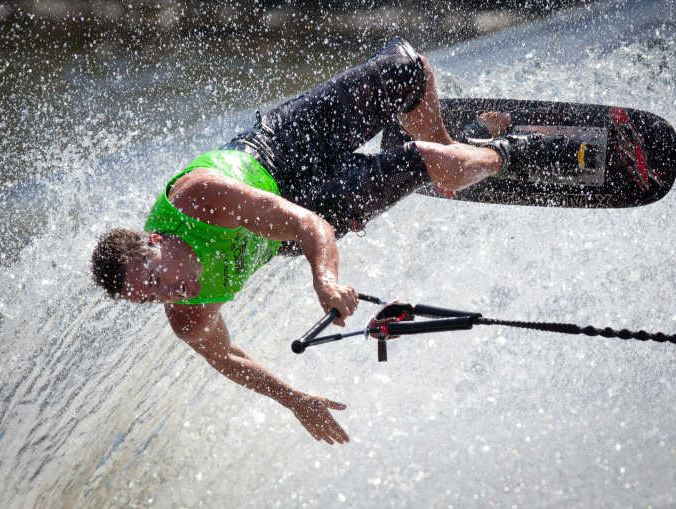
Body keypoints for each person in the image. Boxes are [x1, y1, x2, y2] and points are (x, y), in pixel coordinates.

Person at [91, 37, 517, 445]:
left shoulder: (199, 201)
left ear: (156, 241)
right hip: (306, 213)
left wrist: (326, 280)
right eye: (150, 298)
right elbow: (226, 357)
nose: (169, 294)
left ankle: (452, 147)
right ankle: (510, 153)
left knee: (407, 69)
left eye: (155, 277)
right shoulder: (188, 315)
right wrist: (295, 400)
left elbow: (307, 225)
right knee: (436, 163)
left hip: (280, 152)